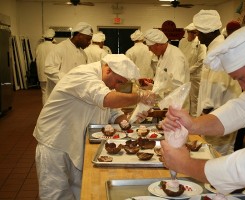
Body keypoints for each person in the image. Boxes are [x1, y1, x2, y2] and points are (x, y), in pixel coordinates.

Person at [161, 22, 245, 200]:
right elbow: (242, 107)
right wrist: (193, 125)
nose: (242, 86)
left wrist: (186, 164)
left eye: (240, 78)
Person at [33, 54, 156, 200]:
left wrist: (129, 121)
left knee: (82, 189)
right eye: (118, 81)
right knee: (55, 193)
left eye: (121, 84)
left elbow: (114, 113)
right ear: (108, 70)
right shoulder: (83, 74)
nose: (117, 87)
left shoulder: (104, 83)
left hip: (79, 141)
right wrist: (140, 96)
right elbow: (107, 99)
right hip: (56, 142)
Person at [194, 10, 242, 155]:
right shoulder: (215, 48)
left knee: (217, 154)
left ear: (207, 32)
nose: (197, 36)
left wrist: (202, 118)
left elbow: (216, 88)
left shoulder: (219, 51)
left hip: (217, 115)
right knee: (216, 153)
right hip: (218, 114)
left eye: (198, 32)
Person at [44, 22, 93, 101]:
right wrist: (67, 79)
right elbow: (49, 68)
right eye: (88, 39)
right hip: (59, 95)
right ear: (79, 36)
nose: (89, 43)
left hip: (75, 94)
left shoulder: (83, 53)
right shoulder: (60, 48)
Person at [143, 28, 190, 111]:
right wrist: (153, 86)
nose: (149, 50)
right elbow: (163, 80)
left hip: (176, 105)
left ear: (157, 44)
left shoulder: (175, 57)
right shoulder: (162, 55)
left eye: (150, 47)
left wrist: (158, 91)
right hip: (166, 103)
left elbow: (178, 85)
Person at [179, 23, 206, 117]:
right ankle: (185, 116)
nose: (194, 35)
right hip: (184, 74)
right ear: (187, 32)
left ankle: (194, 117)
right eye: (191, 33)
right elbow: (180, 57)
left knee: (194, 98)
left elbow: (201, 60)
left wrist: (189, 70)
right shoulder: (182, 42)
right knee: (184, 96)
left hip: (195, 76)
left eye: (195, 33)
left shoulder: (200, 43)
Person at [35, 28, 56, 105]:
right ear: (53, 38)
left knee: (44, 92)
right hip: (52, 73)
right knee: (52, 92)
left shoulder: (39, 47)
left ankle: (45, 109)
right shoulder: (55, 47)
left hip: (41, 73)